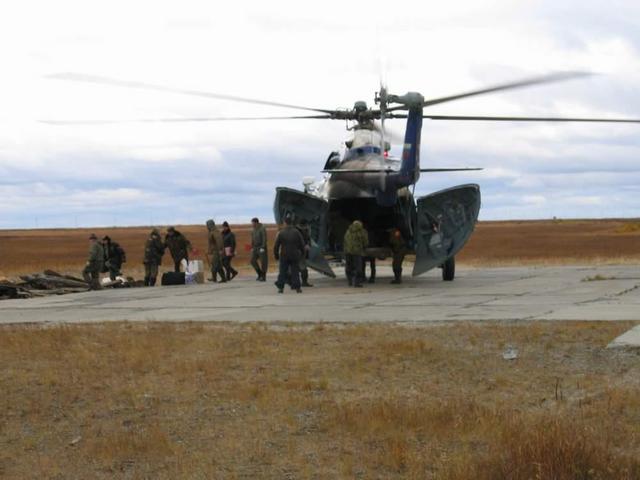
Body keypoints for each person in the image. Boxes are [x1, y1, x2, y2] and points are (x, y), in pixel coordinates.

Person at [273, 214, 305, 293]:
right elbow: (302, 244)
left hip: (284, 255)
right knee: (295, 272)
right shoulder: (296, 232)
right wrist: (303, 254)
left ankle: (281, 288)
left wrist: (276, 255)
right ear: (291, 223)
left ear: (285, 223)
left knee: (282, 272)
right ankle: (298, 288)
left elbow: (276, 246)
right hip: (294, 255)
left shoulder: (281, 233)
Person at [343, 220, 368, 288]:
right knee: (358, 268)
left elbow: (345, 241)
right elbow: (365, 242)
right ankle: (357, 282)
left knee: (349, 267)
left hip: (348, 252)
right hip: (357, 252)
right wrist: (363, 248)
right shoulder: (362, 232)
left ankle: (350, 281)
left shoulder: (348, 231)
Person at [296, 219, 313, 287]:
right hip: (299, 251)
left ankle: (303, 282)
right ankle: (303, 282)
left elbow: (308, 239)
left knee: (300, 267)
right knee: (302, 267)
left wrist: (308, 245)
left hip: (302, 251)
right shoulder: (297, 231)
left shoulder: (304, 230)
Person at [250, 217, 268, 281]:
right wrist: (251, 247)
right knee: (252, 260)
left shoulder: (262, 228)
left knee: (263, 262)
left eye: (253, 223)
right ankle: (259, 274)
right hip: (255, 247)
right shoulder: (253, 230)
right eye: (252, 223)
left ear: (256, 222)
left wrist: (263, 247)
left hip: (261, 247)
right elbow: (252, 239)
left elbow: (264, 238)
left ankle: (263, 276)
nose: (252, 224)